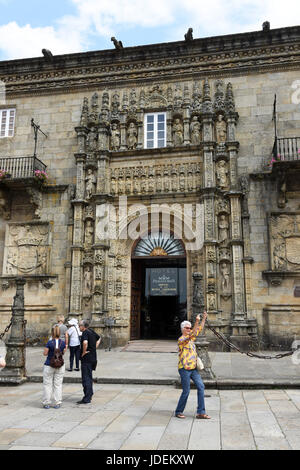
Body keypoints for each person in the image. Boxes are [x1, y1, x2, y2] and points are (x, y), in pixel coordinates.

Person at [175, 312, 210, 420]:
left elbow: (198, 330)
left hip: (193, 369)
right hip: (184, 369)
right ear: (183, 329)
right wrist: (196, 321)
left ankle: (201, 412)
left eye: (190, 328)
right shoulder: (181, 340)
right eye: (187, 328)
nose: (189, 329)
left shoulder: (191, 339)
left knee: (201, 386)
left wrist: (204, 319)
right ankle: (178, 411)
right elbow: (191, 335)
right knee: (186, 391)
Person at [77, 320, 101, 404]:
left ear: (83, 326)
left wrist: (84, 352)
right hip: (93, 358)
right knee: (89, 377)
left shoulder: (85, 333)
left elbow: (85, 342)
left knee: (86, 378)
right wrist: (94, 348)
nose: (78, 327)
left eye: (79, 325)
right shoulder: (91, 331)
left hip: (86, 359)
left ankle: (87, 398)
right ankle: (89, 394)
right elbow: (99, 338)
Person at [42, 325, 66, 409]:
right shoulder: (63, 343)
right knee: (58, 384)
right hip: (60, 365)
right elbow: (63, 352)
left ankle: (46, 403)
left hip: (49, 364)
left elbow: (45, 353)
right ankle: (57, 402)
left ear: (52, 333)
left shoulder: (49, 342)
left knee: (47, 384)